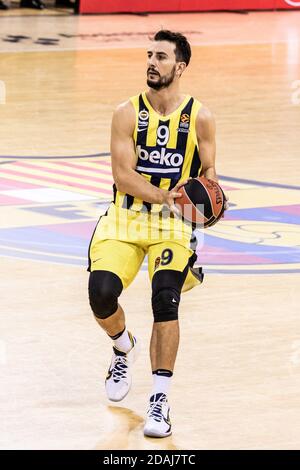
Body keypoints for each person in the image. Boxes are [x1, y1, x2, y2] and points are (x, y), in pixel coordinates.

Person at [88, 29, 224, 438]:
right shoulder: (126, 113)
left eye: (161, 57)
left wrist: (209, 196)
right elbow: (123, 176)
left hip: (171, 226)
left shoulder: (200, 117)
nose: (151, 62)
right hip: (126, 218)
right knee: (101, 295)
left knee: (165, 298)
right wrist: (169, 196)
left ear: (180, 67)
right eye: (149, 55)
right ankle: (121, 344)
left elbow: (210, 172)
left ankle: (160, 400)